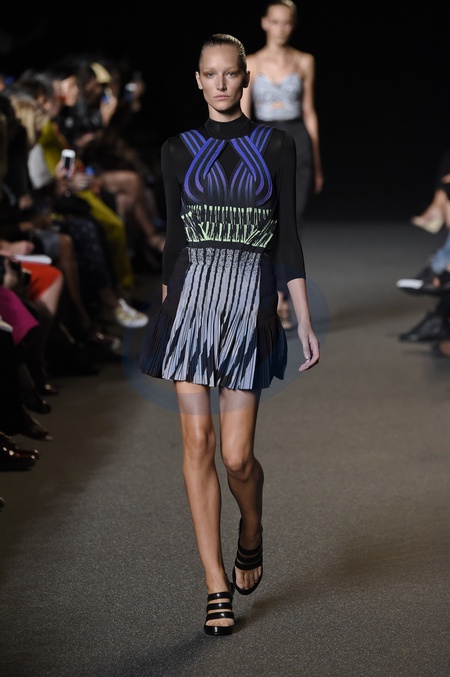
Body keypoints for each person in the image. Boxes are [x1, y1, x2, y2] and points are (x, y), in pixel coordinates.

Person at [139, 33, 320, 636]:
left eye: (230, 73)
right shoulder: (175, 149)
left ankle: (252, 526)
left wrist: (304, 317)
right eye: (210, 74)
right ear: (198, 80)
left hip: (248, 306)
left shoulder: (276, 144)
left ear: (246, 78)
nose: (220, 83)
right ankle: (215, 584)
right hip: (191, 304)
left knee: (237, 457)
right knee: (198, 443)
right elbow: (174, 242)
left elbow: (286, 238)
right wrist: (167, 310)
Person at [241, 0, 323, 330]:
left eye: (286, 22)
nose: (280, 28)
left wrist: (318, 163)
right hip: (262, 144)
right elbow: (244, 114)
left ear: (293, 25)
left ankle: (282, 298)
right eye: (275, 21)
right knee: (266, 224)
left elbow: (310, 112)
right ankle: (270, 296)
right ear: (264, 23)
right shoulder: (252, 62)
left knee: (293, 224)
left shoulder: (305, 61)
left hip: (297, 142)